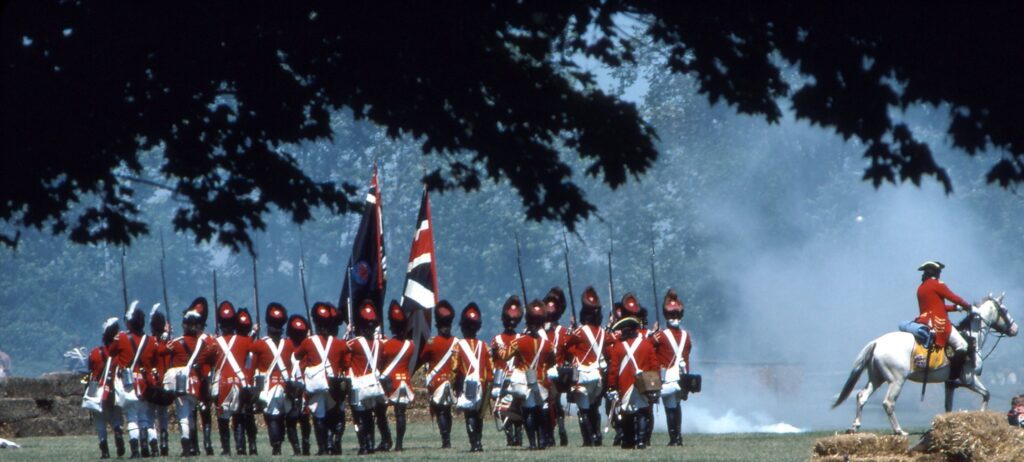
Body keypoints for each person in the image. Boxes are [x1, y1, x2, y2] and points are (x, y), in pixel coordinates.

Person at [294, 302, 349, 455]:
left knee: (319, 417)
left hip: (316, 386)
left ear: (316, 323)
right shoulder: (339, 343)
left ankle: (323, 448)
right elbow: (345, 364)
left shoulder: (308, 342)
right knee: (335, 415)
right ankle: (335, 443)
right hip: (333, 387)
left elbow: (297, 355)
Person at [562, 287, 613, 447]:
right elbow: (611, 341)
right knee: (594, 408)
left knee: (583, 410)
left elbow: (565, 343)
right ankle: (597, 436)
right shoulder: (603, 333)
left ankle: (588, 440)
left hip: (582, 376)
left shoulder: (579, 332)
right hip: (597, 377)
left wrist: (571, 328)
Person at [501, 300, 555, 450]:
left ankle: (532, 443)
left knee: (529, 412)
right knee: (541, 411)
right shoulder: (548, 344)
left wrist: (498, 349)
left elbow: (505, 356)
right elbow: (552, 362)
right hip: (541, 382)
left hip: (525, 382)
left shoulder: (518, 342)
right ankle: (542, 440)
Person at [203, 301, 254, 455]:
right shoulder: (245, 341)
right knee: (238, 414)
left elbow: (206, 359)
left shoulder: (214, 343)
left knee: (223, 417)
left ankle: (226, 449)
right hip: (239, 382)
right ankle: (240, 446)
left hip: (223, 383)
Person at [606, 299, 659, 450]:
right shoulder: (646, 344)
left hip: (625, 385)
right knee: (642, 411)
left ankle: (628, 441)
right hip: (643, 383)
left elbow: (613, 370)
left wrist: (611, 387)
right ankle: (641, 441)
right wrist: (655, 385)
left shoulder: (618, 347)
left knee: (627, 413)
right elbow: (654, 366)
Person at [159, 301, 210, 456]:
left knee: (183, 415)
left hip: (180, 382)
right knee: (190, 413)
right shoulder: (203, 344)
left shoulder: (176, 343)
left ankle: (186, 444)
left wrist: (165, 336)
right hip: (195, 382)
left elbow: (160, 351)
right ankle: (193, 445)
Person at [108, 301, 156, 458]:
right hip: (144, 383)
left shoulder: (121, 338)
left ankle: (135, 450)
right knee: (143, 417)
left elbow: (110, 351)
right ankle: (145, 446)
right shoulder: (151, 340)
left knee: (132, 418)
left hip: (128, 383)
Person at [914, 261, 973, 383]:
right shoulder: (937, 284)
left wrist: (955, 308)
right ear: (936, 273)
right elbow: (954, 297)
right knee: (962, 345)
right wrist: (968, 307)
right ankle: (953, 376)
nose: (940, 274)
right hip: (938, 323)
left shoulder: (921, 288)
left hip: (924, 321)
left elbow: (936, 306)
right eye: (939, 272)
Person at [251, 303, 293, 455]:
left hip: (268, 387)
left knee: (273, 418)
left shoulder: (259, 344)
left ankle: (276, 448)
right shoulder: (289, 344)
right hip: (286, 386)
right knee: (282, 417)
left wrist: (253, 333)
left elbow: (251, 365)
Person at [416, 300, 459, 448]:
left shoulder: (431, 342)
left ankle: (445, 440)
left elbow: (422, 358)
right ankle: (447, 439)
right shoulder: (456, 342)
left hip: (437, 381)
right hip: (451, 382)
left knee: (441, 411)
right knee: (447, 411)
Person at [651, 289, 692, 446]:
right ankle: (678, 437)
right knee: (676, 407)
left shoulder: (660, 336)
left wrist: (652, 333)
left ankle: (674, 438)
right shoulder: (686, 336)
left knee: (669, 408)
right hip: (681, 378)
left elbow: (648, 348)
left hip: (667, 378)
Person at [347, 300, 387, 455]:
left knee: (359, 417)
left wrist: (348, 332)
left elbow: (342, 351)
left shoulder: (354, 343)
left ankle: (364, 445)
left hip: (358, 385)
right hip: (373, 385)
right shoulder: (380, 344)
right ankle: (370, 444)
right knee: (370, 415)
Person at [455, 302, 491, 452]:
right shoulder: (484, 346)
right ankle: (479, 442)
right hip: (482, 385)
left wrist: (455, 387)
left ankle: (474, 443)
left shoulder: (458, 346)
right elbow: (490, 369)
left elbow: (454, 368)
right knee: (479, 415)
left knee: (469, 414)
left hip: (467, 384)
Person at [379, 300, 413, 451]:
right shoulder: (410, 345)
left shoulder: (385, 345)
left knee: (380, 412)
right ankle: (399, 444)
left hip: (389, 382)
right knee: (400, 414)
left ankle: (386, 439)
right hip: (404, 382)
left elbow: (380, 363)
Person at [88, 318, 125, 459]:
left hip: (98, 390)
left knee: (100, 420)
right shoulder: (119, 354)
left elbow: (91, 374)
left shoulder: (94, 353)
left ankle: (104, 449)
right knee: (116, 417)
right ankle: (117, 431)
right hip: (114, 390)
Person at [491, 295, 524, 447]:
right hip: (507, 378)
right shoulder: (502, 339)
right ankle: (512, 435)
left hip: (513, 377)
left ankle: (515, 436)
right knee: (506, 410)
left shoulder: (517, 338)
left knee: (513, 409)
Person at [540, 287, 570, 447]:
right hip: (549, 373)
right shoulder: (564, 332)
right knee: (553, 403)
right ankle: (558, 429)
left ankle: (551, 433)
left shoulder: (563, 332)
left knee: (550, 403)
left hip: (552, 374)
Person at [146, 306, 172, 456]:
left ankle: (154, 442)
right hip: (164, 382)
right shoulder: (168, 343)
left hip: (151, 383)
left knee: (150, 415)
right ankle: (164, 442)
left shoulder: (148, 342)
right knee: (163, 415)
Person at [284, 314, 312, 455]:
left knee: (292, 420)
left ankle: (298, 449)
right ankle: (304, 447)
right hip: (301, 387)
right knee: (302, 419)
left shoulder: (285, 346)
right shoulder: (308, 346)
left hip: (293, 386)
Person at [234, 308, 259, 455]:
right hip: (249, 384)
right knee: (248, 417)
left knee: (238, 416)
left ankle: (240, 446)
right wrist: (254, 333)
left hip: (237, 384)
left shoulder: (235, 344)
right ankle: (252, 445)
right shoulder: (251, 345)